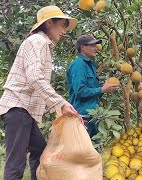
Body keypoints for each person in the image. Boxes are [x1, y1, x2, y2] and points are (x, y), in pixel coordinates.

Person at [0, 6, 79, 180]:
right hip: (17, 108)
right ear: (49, 23)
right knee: (16, 165)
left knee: (40, 151)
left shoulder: (43, 45)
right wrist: (61, 103)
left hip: (23, 111)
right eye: (62, 26)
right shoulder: (37, 41)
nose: (64, 31)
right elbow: (34, 77)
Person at [67, 35, 119, 137]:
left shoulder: (90, 65)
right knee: (81, 151)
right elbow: (80, 91)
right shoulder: (78, 65)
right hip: (82, 117)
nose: (95, 49)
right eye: (92, 46)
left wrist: (104, 90)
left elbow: (92, 95)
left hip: (93, 117)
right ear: (82, 47)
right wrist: (102, 89)